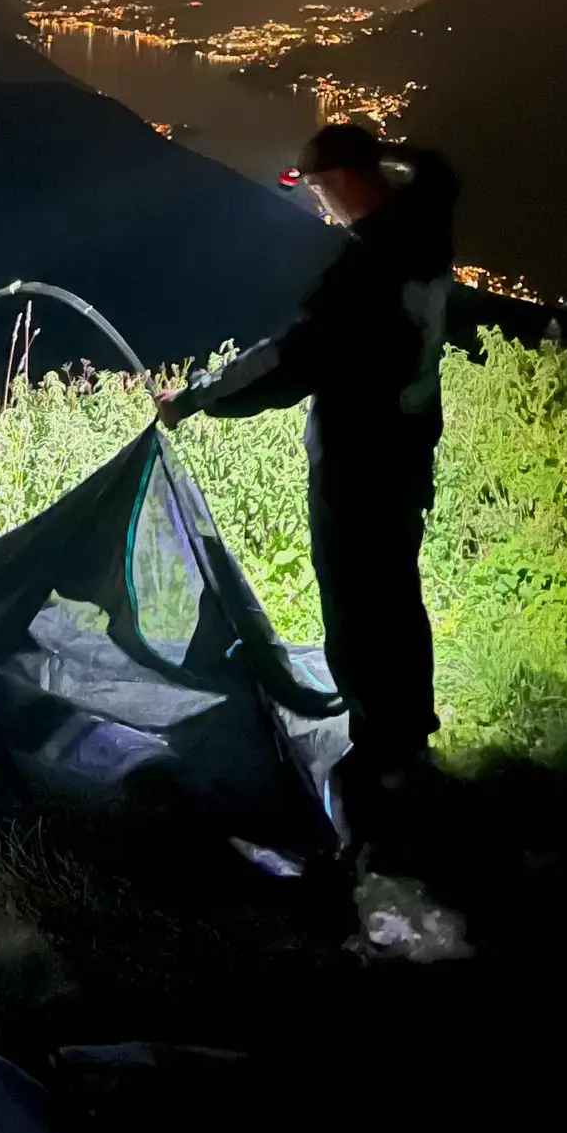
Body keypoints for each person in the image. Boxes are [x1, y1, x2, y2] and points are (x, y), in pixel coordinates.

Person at [159, 122, 461, 832]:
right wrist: (384, 156)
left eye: (322, 189)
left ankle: (379, 756)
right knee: (397, 594)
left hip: (357, 465)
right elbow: (441, 170)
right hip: (408, 452)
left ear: (345, 181)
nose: (321, 205)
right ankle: (408, 739)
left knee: (356, 606)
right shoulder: (427, 224)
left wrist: (195, 397)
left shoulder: (362, 270)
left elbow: (288, 360)